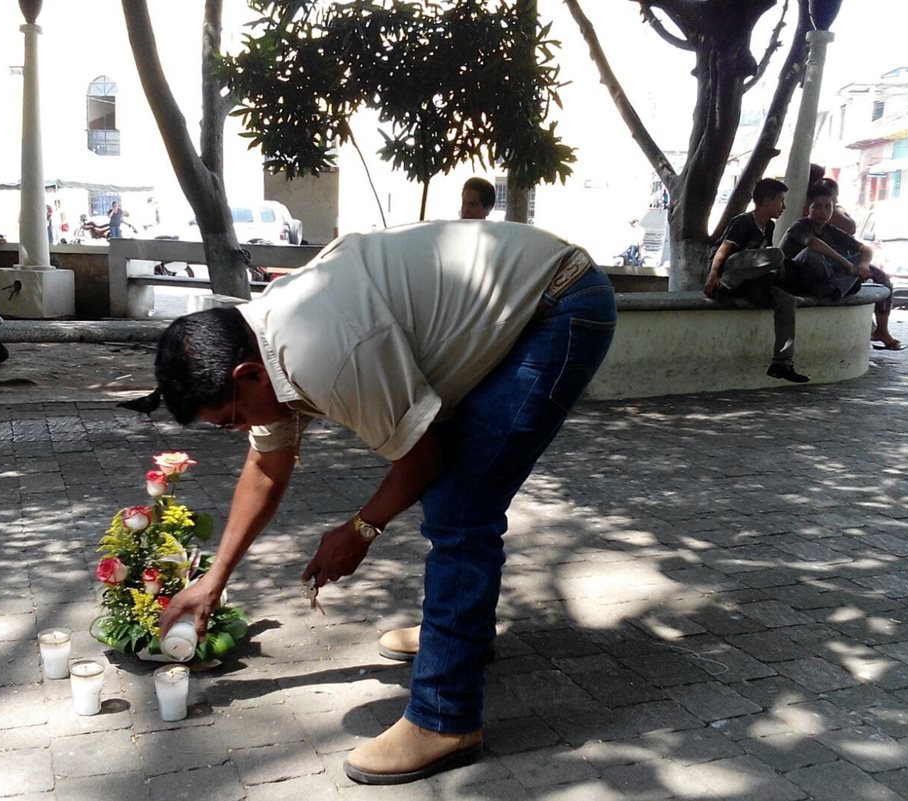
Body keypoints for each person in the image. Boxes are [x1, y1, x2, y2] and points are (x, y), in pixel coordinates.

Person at [154, 221, 617, 784]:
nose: (240, 430)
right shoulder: (266, 334)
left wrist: (360, 530)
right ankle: (458, 636)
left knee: (461, 506)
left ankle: (445, 720)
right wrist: (213, 580)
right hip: (526, 297)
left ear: (246, 375)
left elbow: (424, 460)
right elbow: (267, 466)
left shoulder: (324, 350)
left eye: (234, 419)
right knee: (460, 494)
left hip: (558, 307)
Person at [702, 178, 809, 383]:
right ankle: (724, 286)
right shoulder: (743, 222)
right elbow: (723, 250)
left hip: (749, 280)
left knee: (787, 302)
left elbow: (763, 264)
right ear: (767, 202)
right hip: (728, 271)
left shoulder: (768, 227)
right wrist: (713, 276)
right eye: (780, 201)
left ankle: (782, 363)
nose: (783, 207)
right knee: (776, 254)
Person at [808, 177, 903, 349]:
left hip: (845, 263)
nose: (824, 211)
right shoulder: (803, 225)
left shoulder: (832, 226)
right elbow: (816, 243)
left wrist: (863, 264)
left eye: (828, 205)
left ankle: (881, 329)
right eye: (819, 206)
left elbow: (861, 244)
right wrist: (848, 264)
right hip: (823, 269)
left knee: (882, 281)